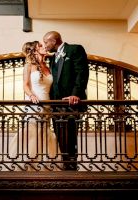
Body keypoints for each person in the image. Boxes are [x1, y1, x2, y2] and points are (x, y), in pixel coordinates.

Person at [8, 41, 61, 171]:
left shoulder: (48, 67)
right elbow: (25, 85)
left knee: (44, 134)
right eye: (41, 46)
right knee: (32, 134)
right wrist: (31, 95)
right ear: (35, 50)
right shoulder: (29, 66)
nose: (45, 47)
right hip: (34, 105)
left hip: (47, 105)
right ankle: (29, 166)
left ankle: (43, 166)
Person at [43, 31, 89, 170]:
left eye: (46, 42)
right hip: (56, 106)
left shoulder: (74, 49)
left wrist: (76, 94)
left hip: (71, 103)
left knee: (70, 138)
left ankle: (72, 168)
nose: (45, 45)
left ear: (54, 40)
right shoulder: (52, 58)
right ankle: (65, 165)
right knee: (60, 138)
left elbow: (82, 72)